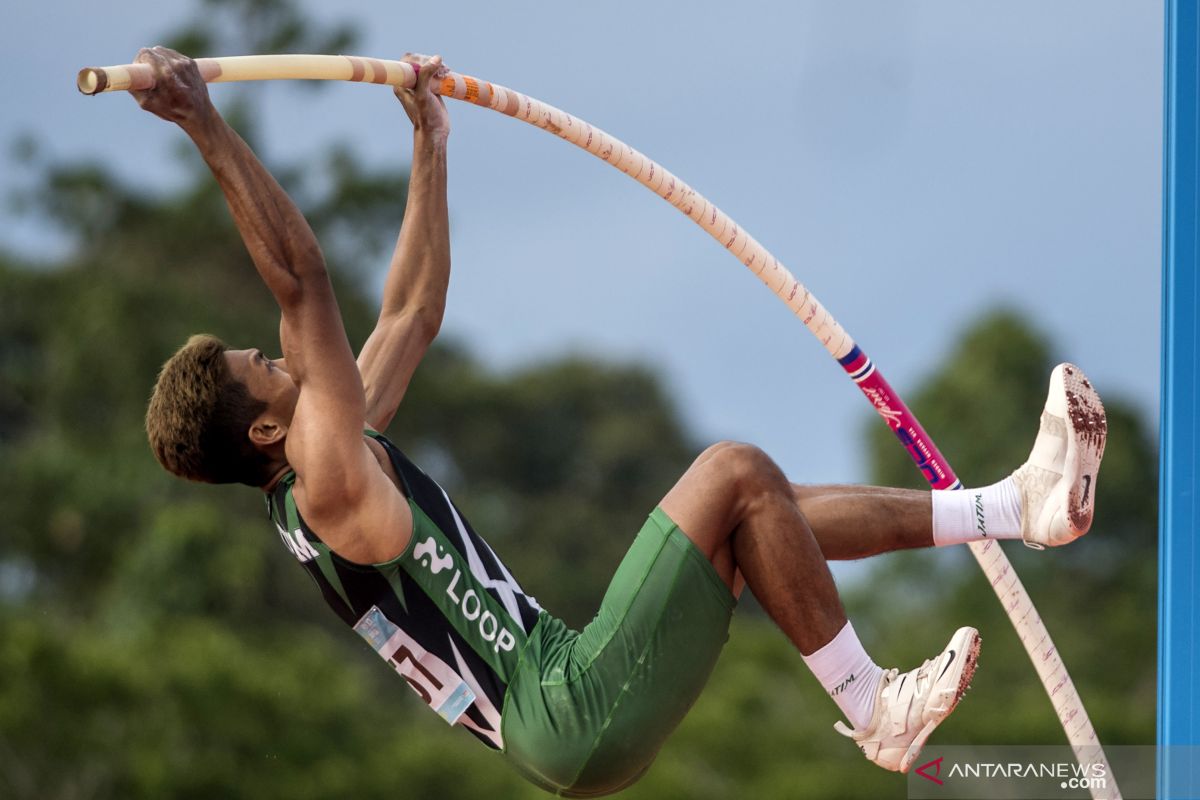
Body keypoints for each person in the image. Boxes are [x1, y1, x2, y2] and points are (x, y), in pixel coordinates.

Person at [136, 46, 1108, 797]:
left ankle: (1014, 507)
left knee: (755, 512)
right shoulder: (330, 482)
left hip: (569, 707)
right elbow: (300, 278)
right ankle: (872, 704)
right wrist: (203, 123)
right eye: (260, 367)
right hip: (561, 707)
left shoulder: (336, 463)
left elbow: (411, 313)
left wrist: (429, 146)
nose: (280, 356)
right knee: (729, 466)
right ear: (265, 433)